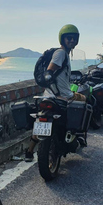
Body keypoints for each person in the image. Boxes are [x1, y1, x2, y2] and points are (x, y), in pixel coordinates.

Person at [25, 24, 86, 162]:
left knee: (40, 123)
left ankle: (29, 151)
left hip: (48, 95)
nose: (71, 40)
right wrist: (58, 93)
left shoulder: (63, 54)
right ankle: (76, 133)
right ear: (62, 39)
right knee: (83, 100)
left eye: (73, 38)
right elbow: (49, 73)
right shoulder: (61, 53)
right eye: (68, 38)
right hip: (62, 96)